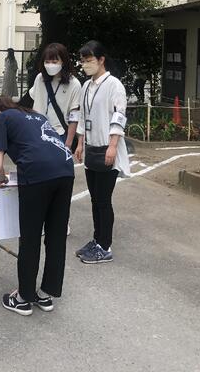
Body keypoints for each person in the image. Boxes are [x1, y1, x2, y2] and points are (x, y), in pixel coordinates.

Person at [0, 96, 74, 316]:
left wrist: (1, 179)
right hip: (65, 170)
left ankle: (23, 297)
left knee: (30, 237)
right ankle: (46, 294)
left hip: (36, 174)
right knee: (56, 236)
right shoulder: (35, 115)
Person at [73, 40, 130, 265]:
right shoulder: (86, 86)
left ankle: (105, 246)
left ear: (101, 60)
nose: (85, 64)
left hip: (107, 149)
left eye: (89, 60)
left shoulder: (114, 85)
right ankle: (97, 241)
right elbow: (82, 116)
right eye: (83, 61)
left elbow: (119, 115)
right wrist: (80, 143)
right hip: (92, 149)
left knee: (104, 200)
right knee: (95, 199)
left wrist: (113, 145)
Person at [28, 43, 81, 149]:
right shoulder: (40, 78)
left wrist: (69, 142)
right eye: (47, 62)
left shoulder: (74, 84)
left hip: (60, 134)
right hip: (38, 131)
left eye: (54, 62)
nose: (50, 65)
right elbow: (35, 101)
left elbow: (74, 115)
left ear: (63, 62)